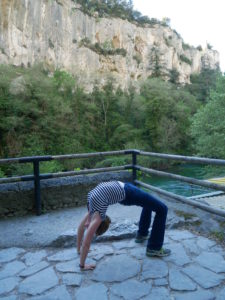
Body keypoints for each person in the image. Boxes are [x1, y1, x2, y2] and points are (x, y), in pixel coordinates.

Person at [77, 181, 171, 270]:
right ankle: (154, 247)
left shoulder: (91, 209)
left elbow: (81, 228)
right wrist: (82, 265)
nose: (88, 226)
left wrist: (79, 250)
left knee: (149, 203)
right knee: (162, 209)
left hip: (126, 189)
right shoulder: (97, 217)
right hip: (128, 193)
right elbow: (86, 243)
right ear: (100, 223)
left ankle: (142, 234)